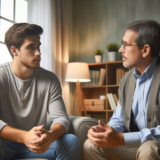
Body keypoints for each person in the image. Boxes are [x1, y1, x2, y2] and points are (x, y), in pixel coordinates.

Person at [0, 23, 80, 160]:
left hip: (36, 144)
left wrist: (50, 135)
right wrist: (24, 136)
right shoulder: (2, 75)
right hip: (4, 144)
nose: (38, 53)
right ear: (14, 50)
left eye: (38, 46)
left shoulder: (50, 79)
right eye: (31, 47)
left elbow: (61, 118)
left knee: (71, 141)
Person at [83, 19, 160, 160]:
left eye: (126, 45)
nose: (120, 50)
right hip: (132, 144)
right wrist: (106, 131)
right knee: (91, 145)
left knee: (147, 149)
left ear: (145, 50)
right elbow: (119, 117)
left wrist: (122, 138)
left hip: (154, 146)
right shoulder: (126, 79)